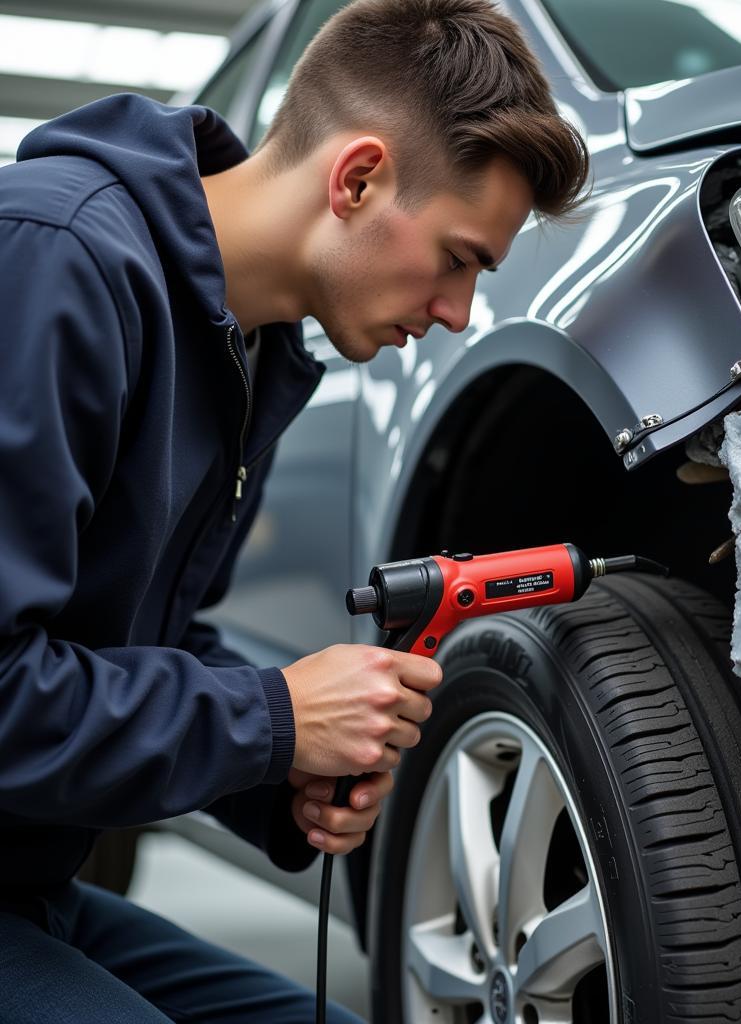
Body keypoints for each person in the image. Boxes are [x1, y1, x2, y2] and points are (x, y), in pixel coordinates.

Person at [0, 0, 589, 1020]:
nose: (454, 314)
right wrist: (273, 715)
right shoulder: (55, 262)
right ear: (356, 178)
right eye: (458, 258)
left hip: (32, 887)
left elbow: (158, 645)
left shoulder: (255, 359)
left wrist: (284, 774)